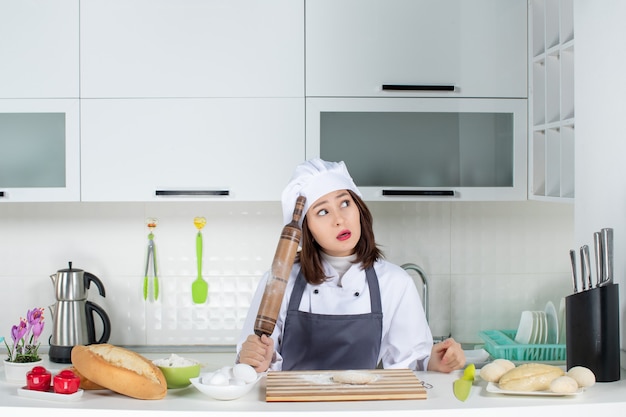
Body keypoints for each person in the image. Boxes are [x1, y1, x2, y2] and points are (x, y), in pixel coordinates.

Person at [236, 158, 465, 373]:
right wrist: (254, 361)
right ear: (309, 231)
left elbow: (413, 364)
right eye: (322, 211)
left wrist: (437, 361)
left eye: (345, 203)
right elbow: (252, 365)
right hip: (291, 409)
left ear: (359, 209)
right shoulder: (279, 282)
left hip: (363, 409)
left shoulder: (395, 283)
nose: (339, 219)